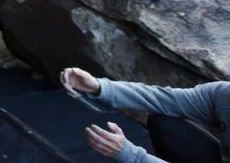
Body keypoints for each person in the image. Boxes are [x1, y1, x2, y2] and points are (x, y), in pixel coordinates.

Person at [60, 66, 230, 163]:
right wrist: (99, 87)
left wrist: (129, 154)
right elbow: (163, 99)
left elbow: (133, 156)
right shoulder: (225, 94)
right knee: (165, 124)